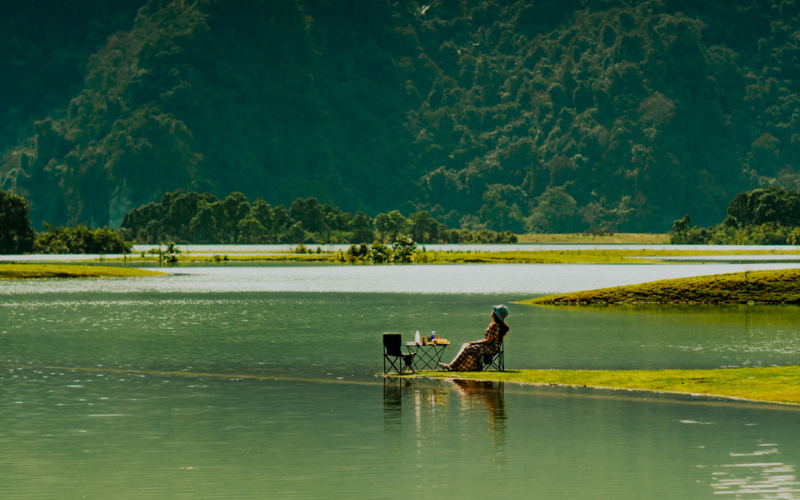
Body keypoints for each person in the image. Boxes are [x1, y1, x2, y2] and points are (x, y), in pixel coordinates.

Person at [439, 304, 509, 371]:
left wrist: (475, 342)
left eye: (494, 310)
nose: (492, 311)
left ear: (496, 314)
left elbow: (489, 340)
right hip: (488, 346)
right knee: (465, 345)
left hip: (491, 348)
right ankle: (465, 368)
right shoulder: (494, 324)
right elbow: (487, 339)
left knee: (468, 348)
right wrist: (477, 342)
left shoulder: (495, 325)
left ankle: (451, 366)